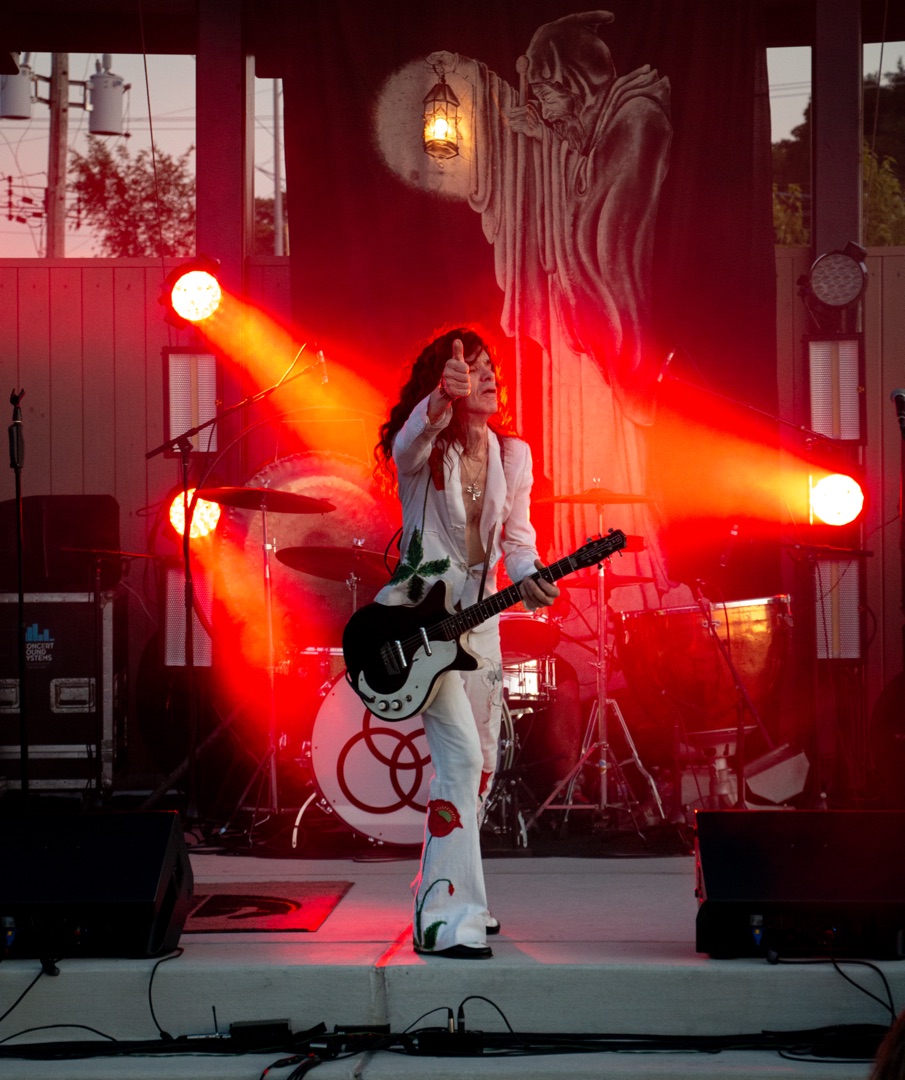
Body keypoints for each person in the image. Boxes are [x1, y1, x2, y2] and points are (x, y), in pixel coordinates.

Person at [375, 326, 559, 959]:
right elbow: (408, 442)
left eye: (489, 369)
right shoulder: (424, 449)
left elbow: (518, 541)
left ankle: (451, 888)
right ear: (447, 379)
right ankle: (443, 917)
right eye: (472, 369)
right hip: (420, 623)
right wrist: (437, 403)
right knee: (459, 759)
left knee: (481, 766)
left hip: (480, 625)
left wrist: (531, 575)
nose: (488, 378)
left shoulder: (514, 454)